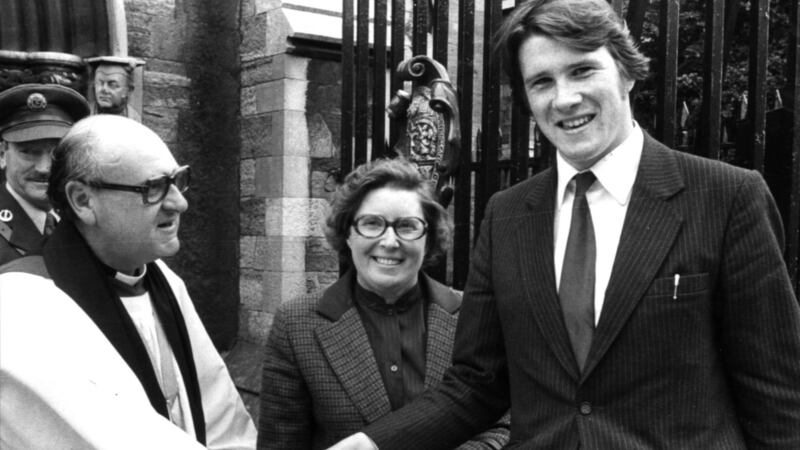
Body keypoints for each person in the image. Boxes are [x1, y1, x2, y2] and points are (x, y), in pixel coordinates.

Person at [329, 0, 800, 448]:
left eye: (582, 70)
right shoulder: (506, 215)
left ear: (626, 72)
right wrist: (375, 443)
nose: (565, 98)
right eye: (542, 82)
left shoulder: (727, 197)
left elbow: (776, 396)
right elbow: (476, 385)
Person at [0, 114, 257, 449]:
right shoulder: (24, 302)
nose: (180, 202)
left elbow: (223, 425)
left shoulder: (164, 280)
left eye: (178, 180)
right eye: (153, 188)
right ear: (82, 200)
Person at [257, 157, 509, 450]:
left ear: (428, 237)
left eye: (407, 226)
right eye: (372, 223)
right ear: (348, 233)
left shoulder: (474, 316)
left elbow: (508, 422)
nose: (390, 241)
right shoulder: (296, 324)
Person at [0, 83, 90, 265]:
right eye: (29, 152)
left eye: (56, 153)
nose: (44, 168)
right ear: (2, 154)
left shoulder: (84, 220)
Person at [86, 56, 143, 122]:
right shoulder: (84, 115)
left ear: (128, 90)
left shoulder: (134, 120)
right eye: (100, 83)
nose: (104, 89)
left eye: (112, 85)